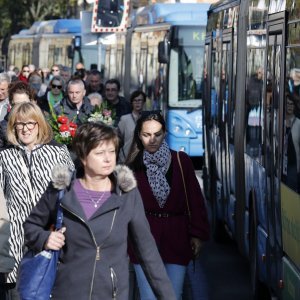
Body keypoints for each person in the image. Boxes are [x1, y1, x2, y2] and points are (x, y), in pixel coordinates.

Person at [23, 122, 176, 300]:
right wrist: (45, 238)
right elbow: (30, 226)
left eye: (111, 151)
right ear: (83, 157)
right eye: (99, 153)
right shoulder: (61, 189)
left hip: (111, 294)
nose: (108, 158)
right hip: (67, 292)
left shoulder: (126, 193)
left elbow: (148, 253)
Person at [126, 112, 210, 300]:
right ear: (139, 135)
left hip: (177, 237)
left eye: (157, 134)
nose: (152, 139)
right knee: (149, 297)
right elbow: (124, 208)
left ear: (165, 133)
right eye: (147, 134)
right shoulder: (132, 167)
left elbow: (196, 200)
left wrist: (197, 234)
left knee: (173, 295)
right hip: (144, 238)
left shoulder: (182, 161)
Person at [0, 102, 74, 299]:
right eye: (19, 124)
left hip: (50, 239)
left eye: (30, 123)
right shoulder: (5, 157)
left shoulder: (57, 153)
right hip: (16, 243)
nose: (25, 129)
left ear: (39, 124)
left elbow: (71, 194)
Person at [0, 81, 35, 149]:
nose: (20, 108)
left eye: (24, 104)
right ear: (10, 104)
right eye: (16, 105)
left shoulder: (40, 122)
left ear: (31, 101)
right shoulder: (3, 127)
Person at [118, 90, 146, 163]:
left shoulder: (148, 118)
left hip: (143, 159)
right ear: (131, 103)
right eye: (135, 100)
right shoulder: (124, 119)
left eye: (139, 100)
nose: (137, 103)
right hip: (126, 158)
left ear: (144, 102)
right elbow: (119, 140)